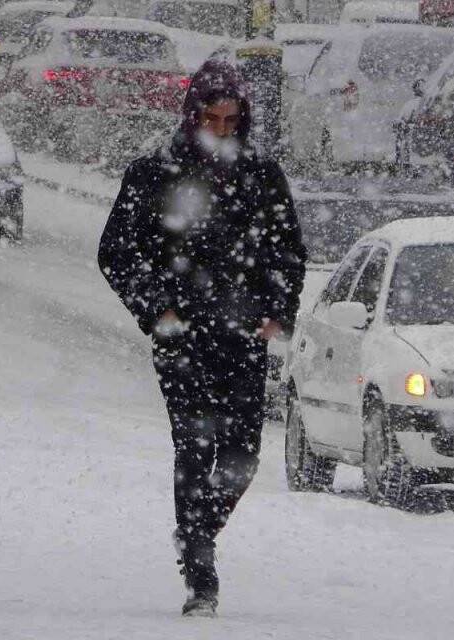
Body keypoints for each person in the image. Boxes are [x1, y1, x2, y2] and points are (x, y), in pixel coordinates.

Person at [98, 59, 306, 618]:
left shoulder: (261, 173)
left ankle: (197, 533)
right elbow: (117, 251)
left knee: (242, 455)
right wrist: (157, 308)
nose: (220, 129)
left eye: (230, 120)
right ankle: (200, 573)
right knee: (194, 445)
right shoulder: (154, 172)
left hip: (243, 336)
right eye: (211, 118)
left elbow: (287, 250)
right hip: (181, 334)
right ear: (192, 115)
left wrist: (276, 312)